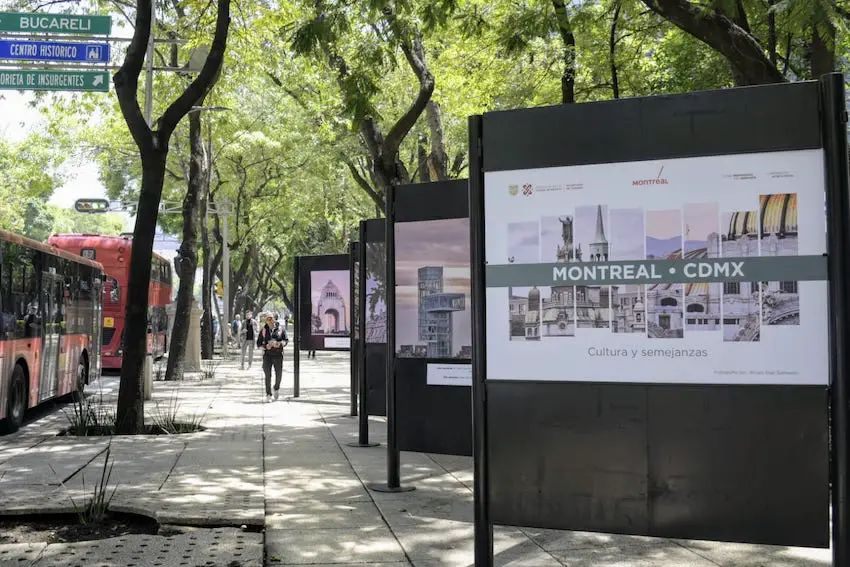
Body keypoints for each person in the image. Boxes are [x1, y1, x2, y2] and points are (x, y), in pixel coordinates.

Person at [257, 313, 288, 402]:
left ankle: (276, 388)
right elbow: (258, 343)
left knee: (279, 374)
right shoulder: (263, 330)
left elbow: (286, 340)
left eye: (270, 318)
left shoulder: (281, 329)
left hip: (278, 354)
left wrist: (280, 344)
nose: (269, 320)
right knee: (267, 375)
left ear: (274, 319)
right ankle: (268, 394)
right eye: (267, 319)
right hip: (267, 355)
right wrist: (265, 347)